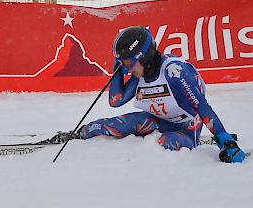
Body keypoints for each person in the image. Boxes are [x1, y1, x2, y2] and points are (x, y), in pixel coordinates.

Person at [69, 26, 245, 163]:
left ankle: (193, 140)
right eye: (121, 63)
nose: (126, 69)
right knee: (112, 125)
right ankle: (76, 134)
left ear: (144, 57)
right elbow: (116, 101)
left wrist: (226, 141)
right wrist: (118, 71)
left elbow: (203, 108)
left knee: (165, 142)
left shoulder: (174, 72)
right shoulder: (141, 73)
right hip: (159, 120)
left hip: (187, 126)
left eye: (128, 63)